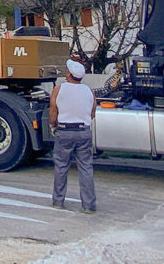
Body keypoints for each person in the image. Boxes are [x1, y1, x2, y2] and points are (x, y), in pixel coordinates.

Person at [49, 58, 97, 213]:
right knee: (86, 167)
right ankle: (89, 205)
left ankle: (58, 201)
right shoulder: (89, 91)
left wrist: (53, 125)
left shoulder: (59, 89)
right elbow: (92, 112)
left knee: (61, 166)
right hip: (83, 132)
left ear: (69, 74)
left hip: (64, 131)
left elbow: (53, 110)